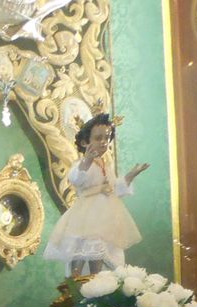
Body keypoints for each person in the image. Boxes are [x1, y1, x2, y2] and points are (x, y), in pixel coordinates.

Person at [42, 113, 149, 276]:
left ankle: (100, 282)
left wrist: (130, 176)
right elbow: (76, 178)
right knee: (84, 248)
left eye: (106, 138)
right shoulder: (83, 164)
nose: (103, 142)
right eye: (98, 138)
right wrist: (87, 161)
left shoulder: (106, 164)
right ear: (85, 142)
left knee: (105, 253)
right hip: (87, 216)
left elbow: (113, 189)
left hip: (106, 217)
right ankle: (78, 283)